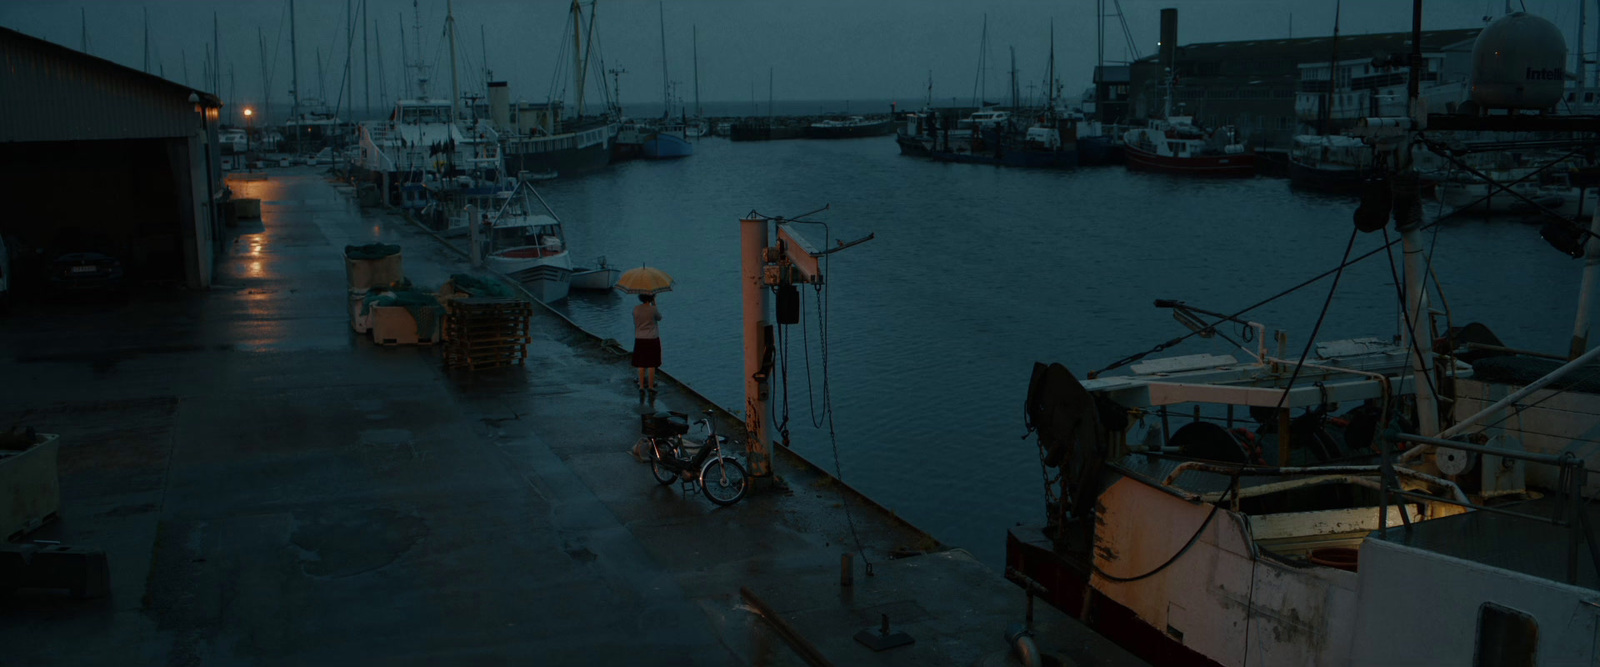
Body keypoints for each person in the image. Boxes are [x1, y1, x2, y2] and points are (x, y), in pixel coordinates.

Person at [633, 293, 663, 402]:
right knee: (651, 364)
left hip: (640, 338)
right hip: (652, 338)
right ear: (651, 298)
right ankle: (650, 386)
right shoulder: (653, 309)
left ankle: (641, 386)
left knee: (641, 363)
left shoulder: (636, 309)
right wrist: (655, 304)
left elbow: (636, 321)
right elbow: (659, 318)